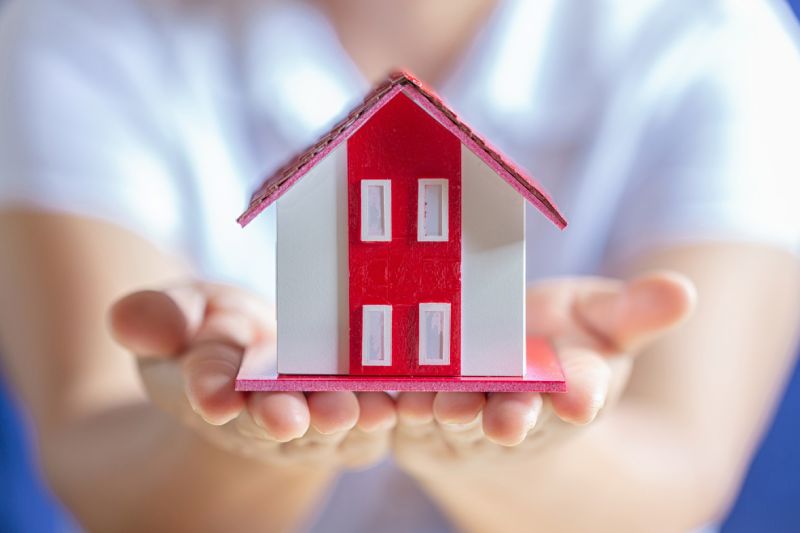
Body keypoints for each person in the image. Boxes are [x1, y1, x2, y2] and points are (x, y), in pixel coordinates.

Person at [1, 0, 799, 531]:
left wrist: (515, 453)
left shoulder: (719, 42)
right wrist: (230, 442)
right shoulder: (75, 27)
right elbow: (90, 448)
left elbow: (682, 472)